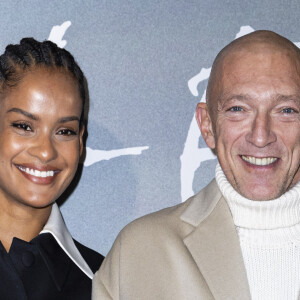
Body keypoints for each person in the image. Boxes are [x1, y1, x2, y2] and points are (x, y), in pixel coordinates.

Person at [93, 30, 300, 300]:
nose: (261, 136)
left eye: (286, 110)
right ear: (207, 125)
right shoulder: (139, 252)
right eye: (238, 109)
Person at [0, 38, 103, 299]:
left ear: (80, 141)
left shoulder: (106, 280)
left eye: (64, 131)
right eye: (24, 126)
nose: (46, 151)